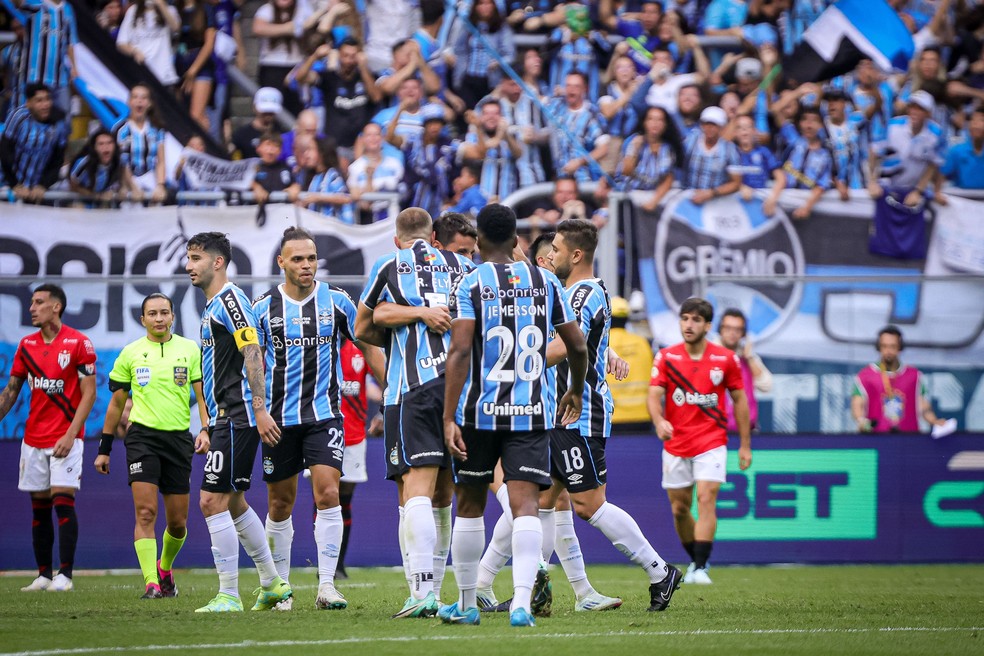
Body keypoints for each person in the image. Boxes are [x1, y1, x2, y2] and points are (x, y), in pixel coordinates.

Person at [440, 203, 588, 627]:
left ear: (480, 240)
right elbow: (577, 346)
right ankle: (521, 602)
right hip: (531, 411)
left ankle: (468, 604)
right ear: (517, 240)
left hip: (478, 412)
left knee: (468, 504)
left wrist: (449, 417)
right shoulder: (546, 281)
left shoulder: (471, 282)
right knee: (526, 506)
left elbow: (461, 350)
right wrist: (574, 390)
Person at [543, 220, 682, 609]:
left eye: (556, 248)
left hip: (578, 413)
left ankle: (660, 571)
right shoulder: (583, 289)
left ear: (576, 255)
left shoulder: (582, 295)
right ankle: (532, 589)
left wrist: (517, 358)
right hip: (560, 413)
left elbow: (564, 347)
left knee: (588, 504)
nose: (551, 254)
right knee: (543, 501)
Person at [253, 227, 384, 610]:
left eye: (311, 258)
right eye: (298, 259)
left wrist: (390, 387)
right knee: (280, 504)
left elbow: (367, 342)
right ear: (282, 262)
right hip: (278, 420)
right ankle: (279, 588)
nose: (307, 265)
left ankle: (326, 586)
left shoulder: (337, 301)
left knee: (328, 494)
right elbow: (253, 362)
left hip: (324, 417)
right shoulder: (263, 307)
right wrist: (259, 410)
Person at [355, 207, 475, 618]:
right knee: (447, 494)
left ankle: (421, 590)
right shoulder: (463, 265)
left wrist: (410, 319)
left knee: (414, 491)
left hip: (412, 388)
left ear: (396, 239)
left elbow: (364, 325)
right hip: (464, 388)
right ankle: (451, 591)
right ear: (436, 239)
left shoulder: (389, 264)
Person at [184, 231, 292, 613]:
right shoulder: (214, 304)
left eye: (195, 257)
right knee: (232, 503)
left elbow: (252, 350)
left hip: (237, 415)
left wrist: (259, 408)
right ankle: (273, 583)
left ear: (217, 262)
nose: (188, 265)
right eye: (188, 257)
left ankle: (229, 594)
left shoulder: (230, 301)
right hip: (224, 419)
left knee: (211, 501)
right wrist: (208, 423)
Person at [93, 293, 209, 599]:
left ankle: (165, 568)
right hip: (142, 438)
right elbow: (116, 405)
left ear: (173, 316)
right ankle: (151, 583)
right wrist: (104, 447)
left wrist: (207, 430)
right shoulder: (130, 353)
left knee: (178, 523)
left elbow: (202, 396)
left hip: (179, 440)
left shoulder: (189, 350)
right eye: (152, 314)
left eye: (164, 313)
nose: (158, 318)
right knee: (145, 513)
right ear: (142, 319)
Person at [647, 297, 752, 585]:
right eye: (684, 318)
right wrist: (659, 421)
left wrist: (744, 444)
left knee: (706, 498)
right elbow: (654, 395)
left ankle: (702, 567)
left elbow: (740, 400)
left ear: (707, 326)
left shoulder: (726, 359)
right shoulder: (667, 357)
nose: (688, 324)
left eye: (695, 320)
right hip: (677, 443)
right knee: (680, 508)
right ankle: (695, 560)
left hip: (712, 440)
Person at [0, 284, 96, 592]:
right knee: (38, 506)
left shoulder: (79, 342)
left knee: (62, 500)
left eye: (39, 302)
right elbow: (11, 392)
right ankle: (43, 574)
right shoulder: (26, 345)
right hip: (33, 437)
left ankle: (65, 575)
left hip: (65, 437)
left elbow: (89, 393)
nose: (32, 307)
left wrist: (71, 434)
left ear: (56, 307)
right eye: (32, 302)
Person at [851, 326, 951, 434]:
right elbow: (857, 405)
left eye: (893, 346)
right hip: (877, 440)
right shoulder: (865, 376)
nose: (888, 351)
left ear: (900, 348)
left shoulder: (914, 376)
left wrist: (934, 421)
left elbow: (924, 408)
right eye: (884, 346)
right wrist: (861, 421)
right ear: (878, 348)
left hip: (910, 439)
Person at [0, 83, 68, 203]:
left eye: (47, 99)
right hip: (8, 184)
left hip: (37, 190)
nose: (45, 105)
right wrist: (15, 184)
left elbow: (57, 160)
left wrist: (43, 185)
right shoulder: (18, 117)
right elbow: (5, 152)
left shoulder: (59, 124)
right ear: (28, 103)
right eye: (39, 100)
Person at [715, 308, 772, 432]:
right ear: (720, 329)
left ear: (744, 333)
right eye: (728, 328)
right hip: (715, 432)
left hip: (747, 431)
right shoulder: (709, 354)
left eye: (737, 329)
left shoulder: (748, 356)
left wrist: (749, 358)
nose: (732, 333)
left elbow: (766, 385)